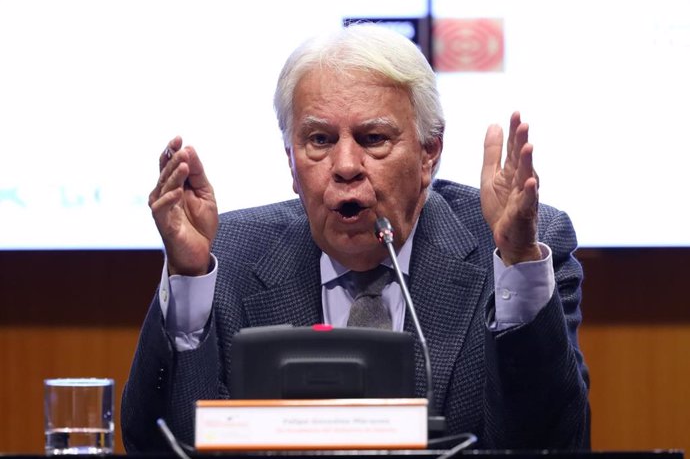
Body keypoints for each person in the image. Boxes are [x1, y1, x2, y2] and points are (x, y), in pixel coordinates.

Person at [121, 23, 590, 452]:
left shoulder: (517, 251)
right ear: (290, 161)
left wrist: (518, 261)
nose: (345, 166)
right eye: (320, 141)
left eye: (372, 139)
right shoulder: (226, 259)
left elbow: (552, 442)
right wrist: (187, 279)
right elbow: (159, 445)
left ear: (429, 155)